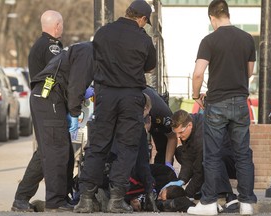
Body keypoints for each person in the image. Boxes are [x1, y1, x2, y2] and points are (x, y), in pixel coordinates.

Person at [74, 0, 156, 214]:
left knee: (98, 145)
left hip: (105, 94)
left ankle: (85, 198)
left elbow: (95, 58)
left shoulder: (103, 32)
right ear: (142, 19)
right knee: (127, 147)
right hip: (131, 96)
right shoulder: (144, 39)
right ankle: (116, 199)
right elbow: (150, 66)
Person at [187, 0, 257, 215]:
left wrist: (196, 94)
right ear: (228, 14)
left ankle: (208, 202)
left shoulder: (209, 40)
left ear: (212, 17)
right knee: (243, 153)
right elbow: (250, 71)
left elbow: (198, 73)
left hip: (216, 102)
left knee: (213, 154)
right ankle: (246, 204)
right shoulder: (247, 39)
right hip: (240, 101)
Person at [28, 41, 94, 212]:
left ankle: (59, 198)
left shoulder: (86, 50)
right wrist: (74, 112)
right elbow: (76, 85)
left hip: (51, 97)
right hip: (48, 97)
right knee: (57, 151)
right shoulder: (88, 52)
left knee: (62, 152)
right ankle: (55, 202)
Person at [11, 10, 66, 212]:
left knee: (45, 151)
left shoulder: (40, 44)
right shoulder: (51, 46)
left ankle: (22, 197)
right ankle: (39, 199)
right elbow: (61, 73)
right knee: (52, 151)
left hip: (43, 101)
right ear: (57, 25)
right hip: (48, 102)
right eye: (62, 24)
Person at [167, 109, 239, 212]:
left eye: (181, 132)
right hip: (214, 159)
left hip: (232, 162)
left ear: (189, 126)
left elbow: (199, 170)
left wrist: (187, 194)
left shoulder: (201, 135)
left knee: (211, 157)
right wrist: (182, 180)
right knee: (180, 151)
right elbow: (187, 157)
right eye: (176, 133)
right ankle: (205, 188)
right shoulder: (189, 123)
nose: (178, 136)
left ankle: (227, 196)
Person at [142, 86, 178, 168]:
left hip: (156, 115)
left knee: (163, 148)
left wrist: (167, 163)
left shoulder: (162, 114)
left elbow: (172, 137)